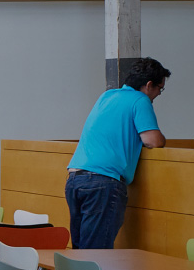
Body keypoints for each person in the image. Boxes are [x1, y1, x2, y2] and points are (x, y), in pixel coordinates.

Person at [67, 57, 170, 250]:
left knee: (80, 253)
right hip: (103, 182)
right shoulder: (140, 99)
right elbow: (152, 140)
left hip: (75, 179)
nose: (158, 94)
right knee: (97, 256)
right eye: (159, 89)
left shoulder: (107, 96)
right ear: (149, 85)